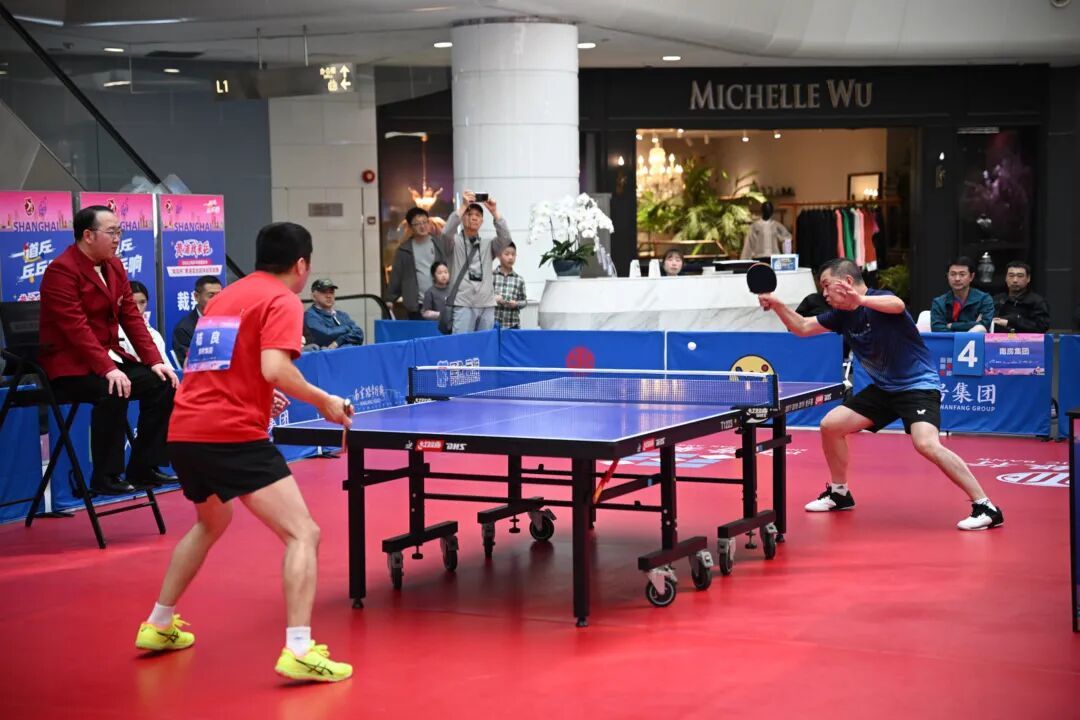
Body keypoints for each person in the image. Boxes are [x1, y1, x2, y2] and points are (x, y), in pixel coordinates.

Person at [137, 222, 355, 682]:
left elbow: (215, 365)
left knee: (212, 521)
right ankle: (299, 649)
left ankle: (158, 623)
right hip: (230, 435)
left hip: (186, 430)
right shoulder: (282, 300)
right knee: (303, 533)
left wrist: (259, 393)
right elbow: (275, 367)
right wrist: (325, 401)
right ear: (302, 264)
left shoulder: (225, 297)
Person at [758, 258, 1004, 531]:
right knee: (830, 426)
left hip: (917, 386)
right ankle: (839, 493)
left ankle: (986, 506)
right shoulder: (841, 315)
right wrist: (777, 305)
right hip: (884, 390)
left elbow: (897, 304)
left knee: (926, 443)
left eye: (827, 285)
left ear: (847, 282)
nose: (824, 293)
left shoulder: (880, 301)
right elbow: (802, 327)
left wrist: (861, 300)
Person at [39, 207, 179, 495]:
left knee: (162, 383)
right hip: (70, 365)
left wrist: (154, 360)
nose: (117, 239)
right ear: (88, 235)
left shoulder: (114, 266)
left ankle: (144, 467)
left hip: (108, 358)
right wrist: (109, 369)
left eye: (119, 232)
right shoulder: (61, 270)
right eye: (111, 232)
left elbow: (131, 318)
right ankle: (105, 476)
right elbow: (76, 329)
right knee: (113, 389)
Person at [438, 190, 511, 334]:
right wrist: (463, 206)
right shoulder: (453, 242)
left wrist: (494, 212)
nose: (474, 218)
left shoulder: (488, 244)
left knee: (484, 345)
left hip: (486, 304)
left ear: (482, 221)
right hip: (463, 303)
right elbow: (446, 232)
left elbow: (506, 238)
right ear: (462, 218)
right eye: (469, 214)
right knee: (462, 344)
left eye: (478, 215)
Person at [385, 207, 446, 320]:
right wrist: (390, 299)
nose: (422, 226)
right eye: (417, 224)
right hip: (417, 305)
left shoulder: (439, 244)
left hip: (440, 302)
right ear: (410, 227)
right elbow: (396, 276)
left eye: (425, 222)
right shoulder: (404, 250)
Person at [119, 281, 176, 371]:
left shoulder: (155, 335)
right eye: (132, 303)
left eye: (142, 302)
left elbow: (167, 367)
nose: (138, 308)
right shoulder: (112, 330)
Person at [930, 257, 994, 332]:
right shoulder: (939, 302)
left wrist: (952, 325)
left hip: (974, 340)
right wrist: (973, 325)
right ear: (947, 276)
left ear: (971, 277)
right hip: (948, 340)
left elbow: (984, 325)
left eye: (962, 274)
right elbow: (937, 328)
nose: (957, 279)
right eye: (953, 274)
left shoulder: (984, 300)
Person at [173, 275, 223, 365]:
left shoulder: (229, 322)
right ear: (196, 296)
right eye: (211, 296)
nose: (216, 300)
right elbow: (188, 363)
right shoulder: (184, 329)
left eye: (219, 295)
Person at [303, 279, 364, 349]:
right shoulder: (310, 316)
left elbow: (359, 334)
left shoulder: (342, 315)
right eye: (324, 292)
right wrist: (348, 328)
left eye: (331, 292)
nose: (329, 296)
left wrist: (338, 342)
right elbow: (327, 335)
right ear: (313, 296)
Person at [992, 261, 1050, 333]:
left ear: (1028, 278)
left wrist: (1012, 321)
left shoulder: (1037, 301)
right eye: (1011, 276)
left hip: (1026, 340)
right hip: (997, 339)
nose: (1015, 280)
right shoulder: (997, 299)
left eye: (1020, 276)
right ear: (1006, 278)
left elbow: (1042, 327)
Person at [493, 242, 528, 329]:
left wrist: (516, 304)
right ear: (499, 256)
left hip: (512, 325)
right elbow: (483, 297)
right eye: (507, 254)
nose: (510, 257)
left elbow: (524, 301)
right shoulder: (491, 276)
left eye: (513, 254)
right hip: (493, 325)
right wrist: (495, 299)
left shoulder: (519, 279)